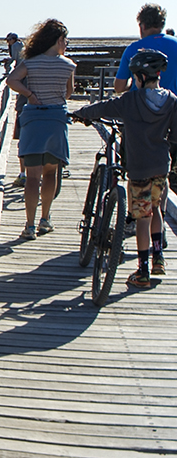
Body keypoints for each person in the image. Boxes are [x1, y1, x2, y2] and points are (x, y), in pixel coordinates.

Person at [75, 48, 177, 289]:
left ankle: (142, 272)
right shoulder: (172, 101)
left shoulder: (130, 101)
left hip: (139, 169)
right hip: (161, 167)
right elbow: (174, 137)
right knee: (156, 210)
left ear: (140, 77)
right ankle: (158, 257)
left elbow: (102, 108)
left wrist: (80, 113)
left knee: (142, 218)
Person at [6, 20, 76, 239]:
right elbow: (68, 93)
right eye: (65, 40)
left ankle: (29, 225)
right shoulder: (68, 65)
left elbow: (12, 80)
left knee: (33, 176)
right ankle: (45, 219)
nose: (66, 43)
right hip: (56, 119)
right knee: (50, 173)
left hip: (33, 120)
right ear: (57, 40)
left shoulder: (31, 62)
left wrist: (30, 95)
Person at [115, 4, 177, 94]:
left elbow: (119, 87)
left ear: (142, 26)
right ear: (162, 25)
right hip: (171, 104)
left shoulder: (133, 49)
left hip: (139, 104)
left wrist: (131, 84)